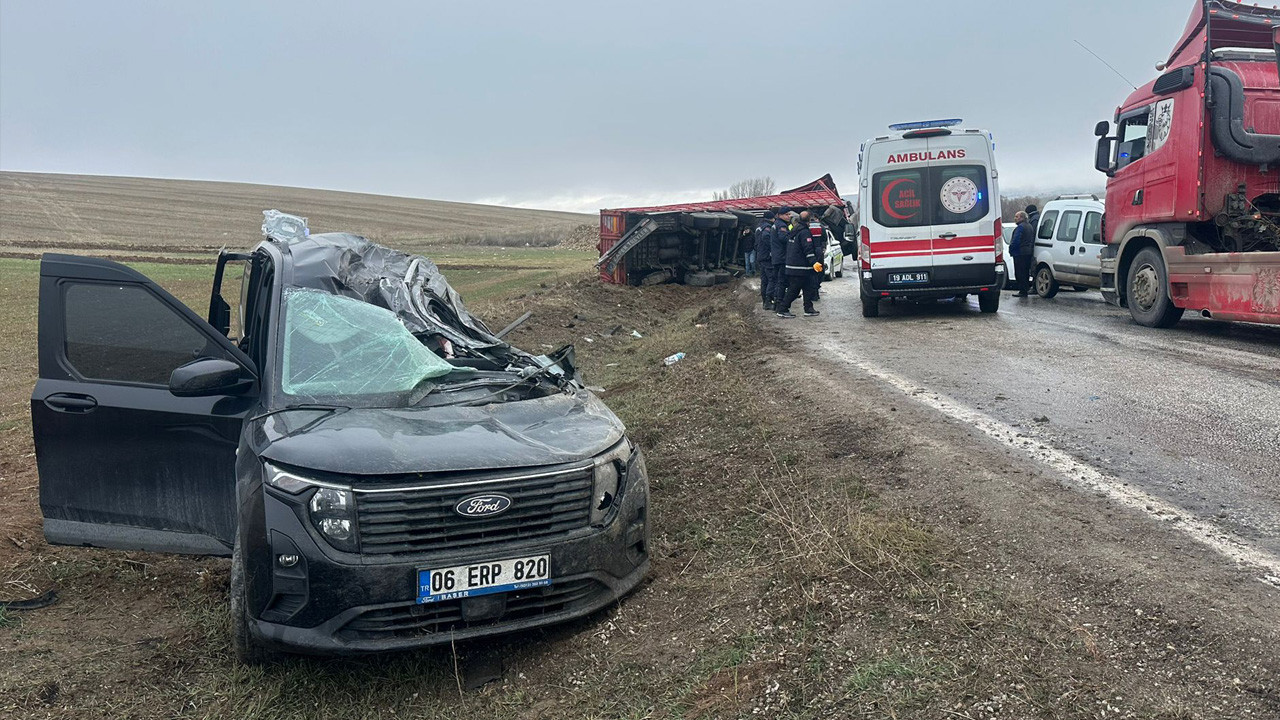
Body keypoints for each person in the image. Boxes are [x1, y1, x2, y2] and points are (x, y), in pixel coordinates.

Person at [776, 213, 823, 318]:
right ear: (809, 221)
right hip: (800, 267)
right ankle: (783, 309)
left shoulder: (794, 230)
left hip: (794, 266)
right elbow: (808, 249)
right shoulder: (805, 232)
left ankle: (808, 308)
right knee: (794, 289)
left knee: (807, 287)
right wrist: (814, 262)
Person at [1009, 210, 1035, 297]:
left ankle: (1022, 291)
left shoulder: (1020, 227)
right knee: (1025, 272)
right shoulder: (1029, 226)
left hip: (1019, 253)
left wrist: (1011, 248)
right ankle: (1025, 289)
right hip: (1028, 252)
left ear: (1022, 218)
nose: (1015, 218)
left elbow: (1016, 240)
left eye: (1017, 217)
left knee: (1020, 272)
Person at [770, 208, 791, 308]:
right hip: (782, 257)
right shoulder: (781, 225)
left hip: (776, 256)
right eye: (787, 214)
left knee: (776, 280)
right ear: (780, 215)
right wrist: (792, 237)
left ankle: (775, 301)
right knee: (781, 281)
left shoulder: (775, 224)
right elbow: (783, 238)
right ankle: (779, 303)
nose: (789, 216)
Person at [755, 211, 776, 309]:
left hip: (760, 255)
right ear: (771, 218)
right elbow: (766, 238)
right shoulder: (768, 227)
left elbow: (756, 243)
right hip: (767, 257)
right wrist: (773, 248)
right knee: (771, 279)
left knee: (764, 280)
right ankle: (768, 301)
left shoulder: (759, 227)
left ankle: (765, 301)